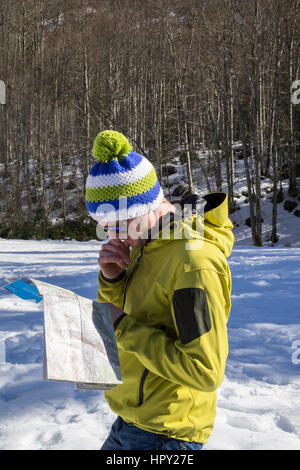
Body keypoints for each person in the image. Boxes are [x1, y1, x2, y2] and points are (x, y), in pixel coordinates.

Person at [85, 130, 234, 450]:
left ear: (146, 205)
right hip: (130, 422)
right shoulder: (145, 242)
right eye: (105, 225)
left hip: (166, 436)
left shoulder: (192, 263)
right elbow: (125, 318)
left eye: (117, 223)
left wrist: (122, 327)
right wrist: (112, 281)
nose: (111, 234)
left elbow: (204, 371)